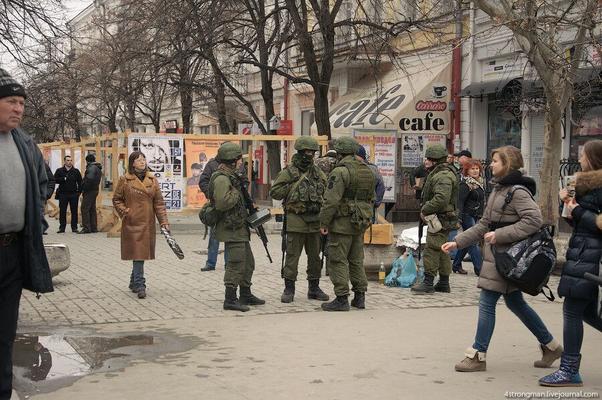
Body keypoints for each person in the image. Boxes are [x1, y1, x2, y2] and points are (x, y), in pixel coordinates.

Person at [442, 145, 562, 372]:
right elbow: (484, 225)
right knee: (515, 303)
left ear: (507, 164)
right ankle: (551, 345)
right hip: (500, 258)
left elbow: (534, 220)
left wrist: (500, 235)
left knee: (487, 302)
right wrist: (458, 242)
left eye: (495, 161)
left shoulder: (517, 192)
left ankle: (478, 354)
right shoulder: (499, 190)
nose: (491, 164)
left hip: (508, 257)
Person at [0, 68, 53, 400]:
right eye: (11, 101)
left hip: (12, 251)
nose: (18, 108)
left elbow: (43, 181)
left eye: (21, 102)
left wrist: (37, 213)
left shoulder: (25, 143)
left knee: (5, 333)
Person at [539, 140, 602, 387]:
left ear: (593, 158)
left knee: (573, 311)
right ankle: (569, 369)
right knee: (586, 311)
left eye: (583, 154)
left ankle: (569, 370)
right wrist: (566, 202)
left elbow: (597, 224)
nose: (579, 157)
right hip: (582, 251)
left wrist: (575, 209)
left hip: (591, 255)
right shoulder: (584, 184)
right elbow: (577, 220)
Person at [270, 136, 330, 303]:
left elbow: (327, 195)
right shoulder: (289, 172)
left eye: (312, 152)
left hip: (315, 221)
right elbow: (275, 192)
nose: (310, 155)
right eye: (307, 152)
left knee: (315, 258)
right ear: (300, 152)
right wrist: (292, 186)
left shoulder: (318, 173)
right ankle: (289, 289)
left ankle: (314, 288)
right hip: (296, 220)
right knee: (292, 257)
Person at [319, 137, 375, 311]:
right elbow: (371, 197)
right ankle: (360, 297)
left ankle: (341, 298)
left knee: (338, 259)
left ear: (340, 153)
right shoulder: (367, 170)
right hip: (360, 221)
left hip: (342, 223)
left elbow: (331, 201)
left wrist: (323, 222)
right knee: (357, 260)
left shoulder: (340, 172)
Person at [209, 142, 265, 312]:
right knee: (236, 263)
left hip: (239, 226)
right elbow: (222, 203)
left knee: (248, 263)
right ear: (232, 160)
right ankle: (230, 299)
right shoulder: (222, 179)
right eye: (239, 159)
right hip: (230, 227)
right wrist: (235, 190)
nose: (241, 162)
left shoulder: (232, 176)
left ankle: (245, 294)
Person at [112, 151, 170, 299]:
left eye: (143, 159)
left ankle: (133, 281)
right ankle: (140, 284)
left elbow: (159, 203)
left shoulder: (152, 180)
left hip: (148, 223)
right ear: (132, 163)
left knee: (140, 254)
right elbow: (117, 199)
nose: (142, 161)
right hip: (132, 222)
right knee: (138, 254)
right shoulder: (125, 180)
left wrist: (163, 221)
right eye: (138, 160)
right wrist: (125, 211)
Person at [411, 144, 459, 295]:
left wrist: (425, 209)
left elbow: (441, 199)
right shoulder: (440, 173)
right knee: (443, 249)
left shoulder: (442, 175)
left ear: (436, 161)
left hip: (440, 218)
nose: (426, 161)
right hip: (442, 217)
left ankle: (428, 282)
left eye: (429, 159)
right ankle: (444, 282)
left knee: (432, 249)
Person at [452, 159, 485, 275]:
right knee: (472, 240)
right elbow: (460, 201)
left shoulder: (479, 182)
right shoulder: (465, 184)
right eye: (472, 169)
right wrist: (459, 218)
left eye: (477, 168)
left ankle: (456, 265)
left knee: (467, 240)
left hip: (476, 215)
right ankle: (479, 269)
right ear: (467, 171)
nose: (475, 171)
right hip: (467, 215)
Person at [198, 157, 227, 272]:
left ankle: (229, 264)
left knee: (230, 236)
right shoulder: (212, 164)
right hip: (215, 204)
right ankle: (210, 263)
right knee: (214, 235)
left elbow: (244, 181)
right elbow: (203, 181)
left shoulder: (236, 163)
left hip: (231, 205)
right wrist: (210, 194)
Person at [54, 155, 82, 233]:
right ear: (64, 161)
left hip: (73, 194)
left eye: (70, 160)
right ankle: (62, 227)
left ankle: (74, 227)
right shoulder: (59, 170)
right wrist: (63, 179)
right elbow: (54, 179)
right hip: (63, 194)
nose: (69, 162)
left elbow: (80, 182)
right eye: (68, 160)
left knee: (74, 211)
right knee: (62, 211)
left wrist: (78, 192)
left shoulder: (76, 171)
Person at [356, 146, 385, 211]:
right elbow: (381, 187)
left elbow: (381, 187)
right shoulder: (373, 168)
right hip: (369, 207)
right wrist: (375, 203)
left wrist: (376, 203)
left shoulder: (372, 169)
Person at [79, 154, 102, 234]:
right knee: (92, 209)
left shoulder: (91, 168)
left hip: (89, 190)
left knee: (84, 208)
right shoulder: (97, 167)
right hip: (95, 190)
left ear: (87, 161)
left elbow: (89, 179)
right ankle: (93, 227)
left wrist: (83, 187)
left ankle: (86, 228)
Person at [42, 161, 55, 235]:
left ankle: (41, 229)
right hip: (25, 197)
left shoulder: (43, 165)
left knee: (41, 212)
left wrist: (47, 193)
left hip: (40, 196)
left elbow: (51, 180)